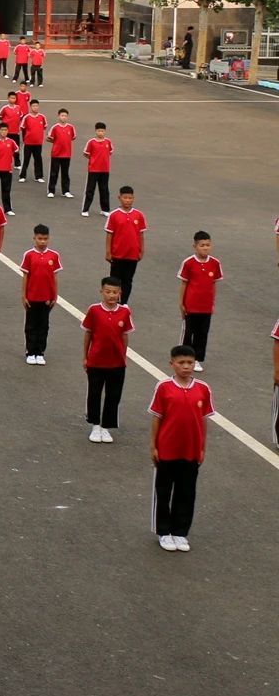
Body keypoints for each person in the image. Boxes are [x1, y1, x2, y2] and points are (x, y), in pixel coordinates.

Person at [150, 345, 213, 552]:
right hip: (167, 448)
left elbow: (204, 421)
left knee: (187, 492)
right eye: (181, 363)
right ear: (172, 364)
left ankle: (180, 531)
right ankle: (163, 531)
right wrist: (154, 445)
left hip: (191, 451)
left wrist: (202, 447)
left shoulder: (202, 388)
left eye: (190, 363)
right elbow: (157, 418)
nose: (186, 367)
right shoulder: (164, 387)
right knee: (164, 490)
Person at [82, 276, 134, 442]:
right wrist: (85, 357)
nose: (111, 295)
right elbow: (88, 333)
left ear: (120, 293)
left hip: (117, 363)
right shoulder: (94, 310)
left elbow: (125, 336)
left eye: (115, 292)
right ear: (101, 292)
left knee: (113, 395)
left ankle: (106, 427)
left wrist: (123, 356)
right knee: (94, 393)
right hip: (96, 361)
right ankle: (95, 425)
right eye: (108, 292)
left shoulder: (125, 312)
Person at [177, 231, 223, 369]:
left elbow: (214, 284)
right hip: (191, 306)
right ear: (195, 246)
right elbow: (184, 284)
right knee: (188, 332)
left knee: (202, 333)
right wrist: (181, 303)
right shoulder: (189, 263)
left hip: (206, 307)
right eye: (202, 245)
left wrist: (212, 303)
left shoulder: (215, 263)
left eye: (208, 245)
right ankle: (184, 356)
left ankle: (197, 358)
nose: (205, 248)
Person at [20, 224, 61, 366]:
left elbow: (54, 277)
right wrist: (24, 295)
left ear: (49, 239)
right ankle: (30, 351)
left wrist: (55, 295)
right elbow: (25, 276)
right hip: (32, 297)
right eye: (39, 238)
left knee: (44, 326)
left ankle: (40, 352)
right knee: (31, 325)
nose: (42, 241)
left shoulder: (54, 256)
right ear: (34, 238)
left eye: (45, 239)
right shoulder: (29, 255)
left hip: (47, 298)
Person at [103, 186, 147, 303]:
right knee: (115, 280)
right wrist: (108, 252)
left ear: (133, 198)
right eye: (125, 197)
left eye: (130, 198)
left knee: (128, 280)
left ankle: (124, 303)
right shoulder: (114, 215)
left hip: (132, 255)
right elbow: (109, 235)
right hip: (117, 254)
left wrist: (141, 250)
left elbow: (141, 235)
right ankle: (114, 300)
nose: (127, 200)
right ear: (119, 198)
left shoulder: (139, 215)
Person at [80, 121, 113, 216]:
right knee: (90, 190)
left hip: (105, 170)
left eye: (102, 131)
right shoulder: (91, 142)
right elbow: (86, 154)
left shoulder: (108, 142)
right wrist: (94, 160)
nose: (100, 133)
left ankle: (105, 209)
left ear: (105, 131)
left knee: (104, 190)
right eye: (99, 131)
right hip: (93, 170)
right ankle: (85, 209)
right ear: (96, 131)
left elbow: (110, 152)